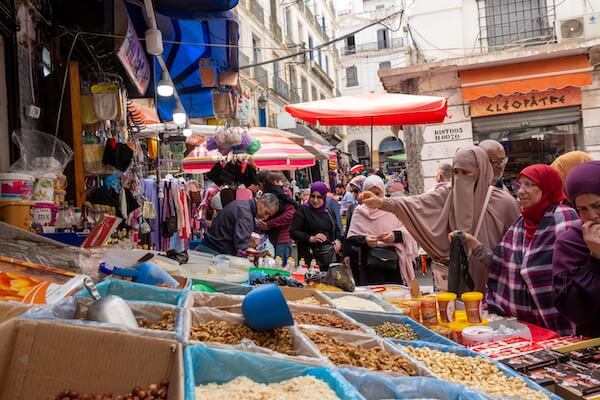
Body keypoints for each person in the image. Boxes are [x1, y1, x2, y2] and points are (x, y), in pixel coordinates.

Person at [360, 145, 520, 292]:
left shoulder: (504, 203)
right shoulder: (448, 194)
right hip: (454, 285)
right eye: (456, 172)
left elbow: (516, 252)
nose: (460, 178)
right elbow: (415, 204)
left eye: (466, 173)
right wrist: (382, 202)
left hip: (494, 287)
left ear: (481, 171)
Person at [458, 165, 579, 335]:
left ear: (547, 187)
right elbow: (500, 264)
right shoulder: (520, 224)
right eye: (518, 186)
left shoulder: (563, 217)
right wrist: (473, 243)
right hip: (523, 323)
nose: (521, 191)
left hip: (555, 318)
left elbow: (575, 271)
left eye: (529, 185)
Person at [553, 161, 600, 337]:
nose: (592, 216)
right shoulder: (570, 242)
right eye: (582, 209)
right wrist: (595, 258)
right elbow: (575, 312)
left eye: (598, 206)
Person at [346, 176, 419, 285]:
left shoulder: (392, 209)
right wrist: (365, 240)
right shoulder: (360, 212)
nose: (374, 198)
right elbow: (351, 238)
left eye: (377, 194)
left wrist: (394, 236)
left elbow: (408, 231)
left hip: (394, 265)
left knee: (396, 297)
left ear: (383, 193)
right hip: (370, 267)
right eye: (370, 194)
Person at [197, 193, 280, 256]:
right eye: (266, 213)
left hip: (211, 249)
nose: (265, 217)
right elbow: (241, 247)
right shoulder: (245, 214)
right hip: (213, 253)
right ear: (261, 202)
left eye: (268, 215)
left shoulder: (243, 206)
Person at [290, 181, 343, 270]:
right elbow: (293, 231)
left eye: (319, 197)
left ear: (324, 197)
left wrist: (338, 240)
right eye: (313, 196)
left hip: (328, 257)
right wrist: (311, 238)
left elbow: (336, 228)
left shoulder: (328, 211)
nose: (315, 200)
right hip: (309, 257)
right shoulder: (303, 210)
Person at [259, 173, 297, 265]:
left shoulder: (283, 193)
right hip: (269, 239)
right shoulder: (269, 193)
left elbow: (290, 214)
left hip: (281, 239)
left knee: (279, 269)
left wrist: (269, 224)